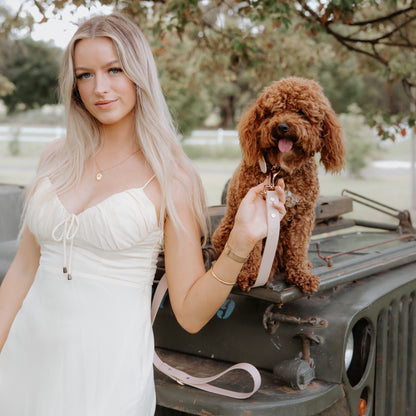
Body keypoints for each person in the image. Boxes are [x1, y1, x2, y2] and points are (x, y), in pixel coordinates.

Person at [0, 13, 286, 416]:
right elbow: (22, 273)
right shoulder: (54, 156)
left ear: (138, 73)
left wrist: (239, 243)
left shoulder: (173, 176)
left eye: (114, 70)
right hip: (23, 361)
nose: (100, 88)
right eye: (85, 75)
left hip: (106, 376)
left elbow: (188, 313)